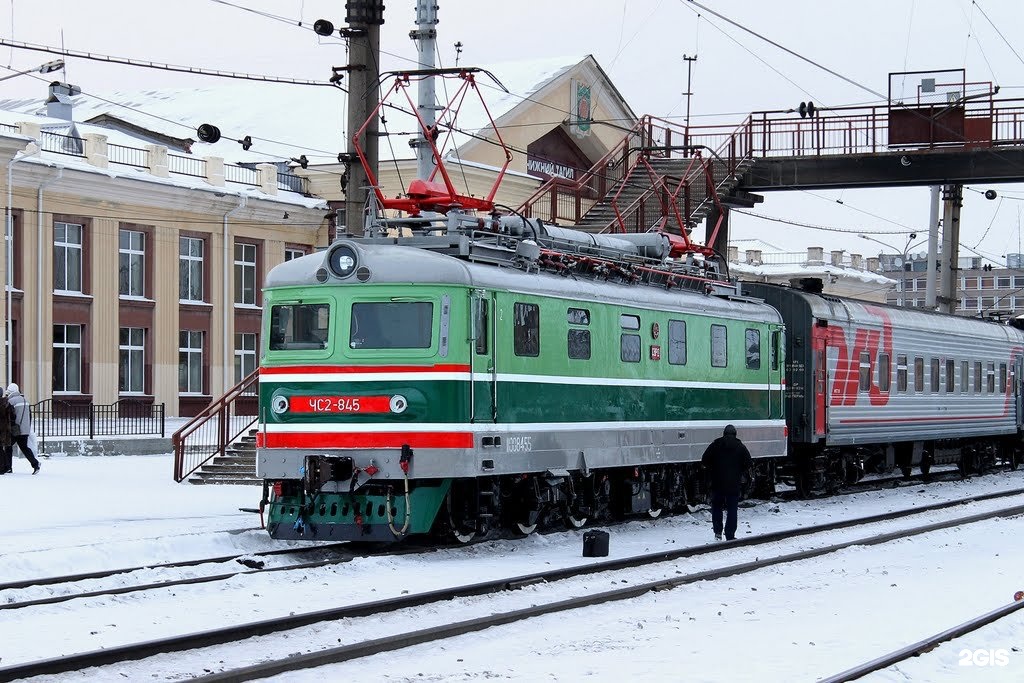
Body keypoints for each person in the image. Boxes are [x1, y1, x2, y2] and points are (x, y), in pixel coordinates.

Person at [701, 424, 751, 541]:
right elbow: (748, 463)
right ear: (735, 434)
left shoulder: (715, 444)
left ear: (724, 433)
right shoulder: (740, 446)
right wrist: (739, 471)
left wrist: (712, 469)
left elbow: (704, 459)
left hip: (717, 482)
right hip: (733, 484)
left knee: (717, 507)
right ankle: (730, 535)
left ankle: (718, 532)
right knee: (732, 509)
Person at [5, 383, 40, 474]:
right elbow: (29, 416)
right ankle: (35, 464)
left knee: (8, 447)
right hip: (25, 429)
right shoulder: (25, 401)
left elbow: (10, 416)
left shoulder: (10, 401)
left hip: (15, 429)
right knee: (24, 448)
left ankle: (8, 467)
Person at [0, 392, 12, 474]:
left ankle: (2, 468)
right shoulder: (7, 403)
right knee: (1, 448)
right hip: (5, 429)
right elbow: (13, 415)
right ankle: (6, 466)